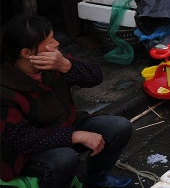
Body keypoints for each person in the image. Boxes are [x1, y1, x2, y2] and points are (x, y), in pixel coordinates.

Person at [0, 15, 134, 188]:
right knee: (64, 159)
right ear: (27, 53)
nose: (56, 44)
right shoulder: (4, 87)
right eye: (49, 41)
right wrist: (74, 136)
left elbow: (96, 77)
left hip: (62, 125)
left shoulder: (55, 61)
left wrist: (67, 65)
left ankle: (98, 180)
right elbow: (19, 138)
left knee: (118, 127)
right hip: (22, 153)